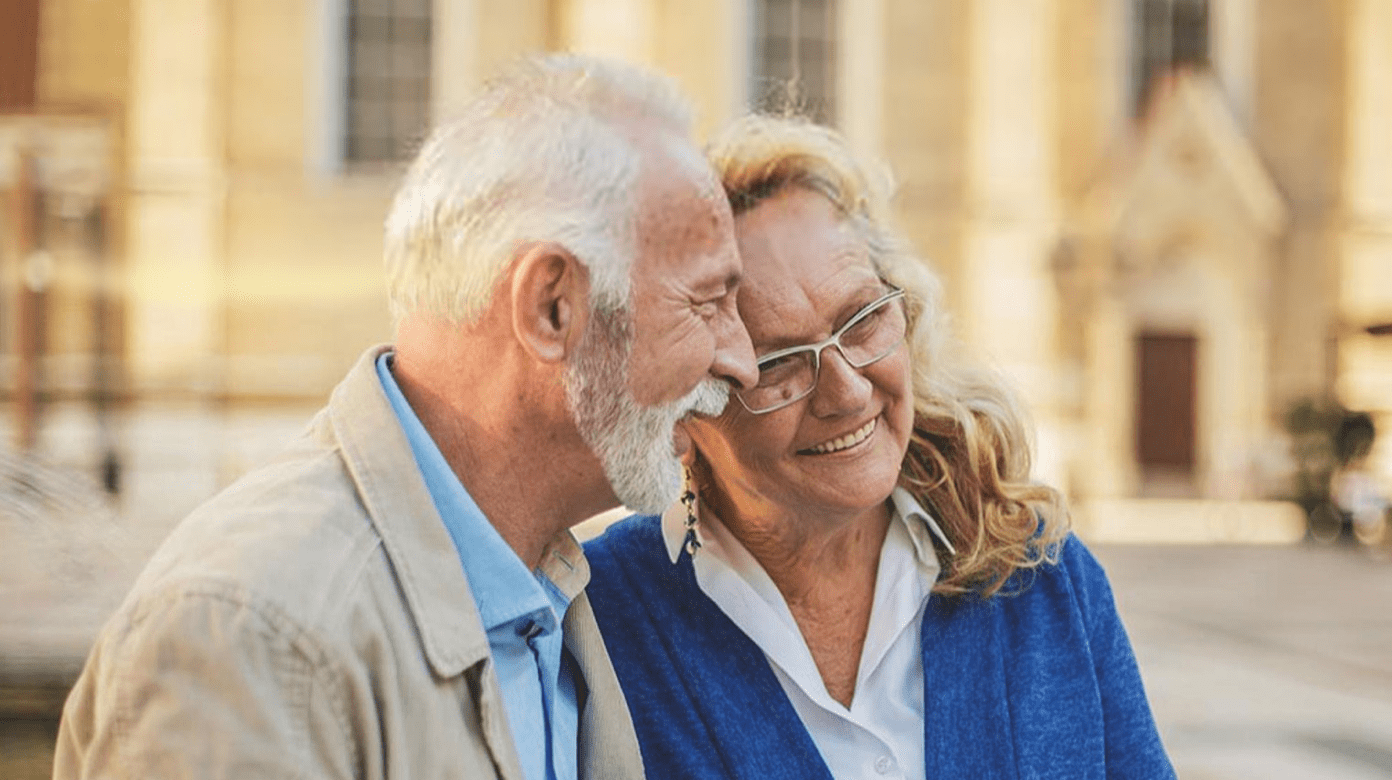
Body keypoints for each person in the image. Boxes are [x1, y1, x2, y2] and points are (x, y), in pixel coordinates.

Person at [54, 54, 757, 780]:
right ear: (553, 309)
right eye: (707, 304)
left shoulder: (552, 586)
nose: (742, 361)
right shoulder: (254, 635)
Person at [584, 114, 1176, 779]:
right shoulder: (600, 622)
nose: (845, 391)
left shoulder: (1042, 577)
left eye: (862, 320)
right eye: (778, 363)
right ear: (681, 415)